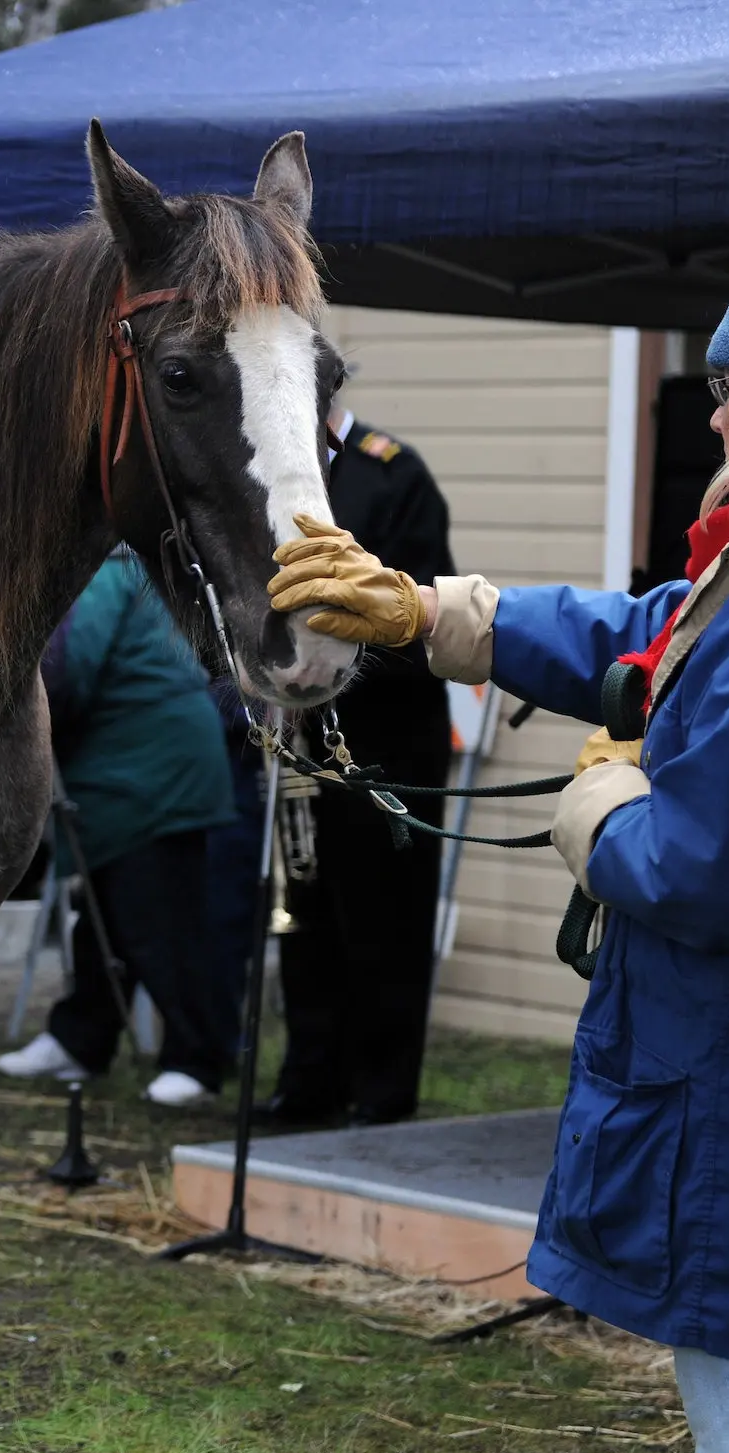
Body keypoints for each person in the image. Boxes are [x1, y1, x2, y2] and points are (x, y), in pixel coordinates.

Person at [269, 261, 729, 1453]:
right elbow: (662, 631)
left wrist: (603, 812)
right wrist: (444, 617)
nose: (712, 418)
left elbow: (710, 875)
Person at [269, 403, 456, 1125]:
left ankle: (380, 1094)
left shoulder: (389, 474)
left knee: (383, 921)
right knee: (302, 910)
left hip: (384, 740)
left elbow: (420, 622)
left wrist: (322, 667)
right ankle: (308, 1082)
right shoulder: (274, 477)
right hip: (297, 745)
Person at [0, 547, 237, 1106]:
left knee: (161, 923)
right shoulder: (113, 566)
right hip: (129, 772)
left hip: (153, 772)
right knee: (104, 914)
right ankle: (80, 1037)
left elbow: (66, 667)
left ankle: (199, 1059)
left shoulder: (101, 568)